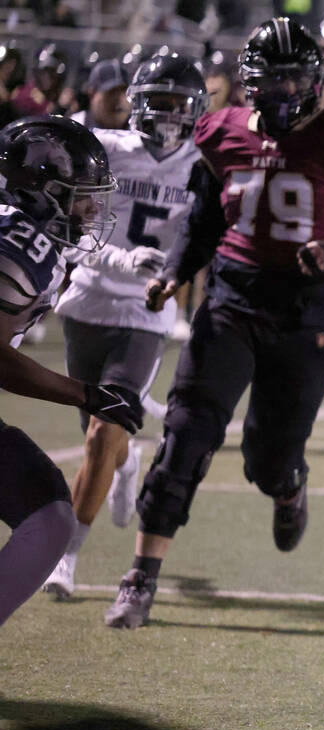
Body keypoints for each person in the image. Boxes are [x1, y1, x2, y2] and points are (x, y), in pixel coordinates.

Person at [102, 17, 324, 629]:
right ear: (249, 83)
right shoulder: (221, 136)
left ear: (316, 78)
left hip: (307, 312)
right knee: (187, 432)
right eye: (272, 78)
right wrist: (178, 270)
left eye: (295, 75)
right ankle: (140, 576)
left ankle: (289, 486)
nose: (284, 88)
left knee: (268, 459)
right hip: (233, 301)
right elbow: (204, 221)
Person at [42, 53, 209, 600]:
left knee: (100, 434)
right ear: (135, 103)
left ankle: (65, 557)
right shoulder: (106, 149)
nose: (163, 115)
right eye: (154, 102)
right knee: (98, 434)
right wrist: (120, 260)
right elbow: (77, 229)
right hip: (88, 300)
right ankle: (129, 462)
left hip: (146, 309)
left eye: (174, 104)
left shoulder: (206, 166)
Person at [0, 116, 143, 626]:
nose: (90, 208)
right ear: (39, 190)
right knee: (48, 518)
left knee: (51, 514)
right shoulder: (21, 245)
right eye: (79, 194)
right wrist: (84, 394)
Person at [73, 58, 131, 130]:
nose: (118, 99)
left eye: (123, 91)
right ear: (92, 94)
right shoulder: (76, 125)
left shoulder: (135, 130)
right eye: (111, 92)